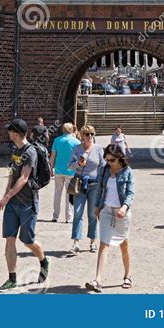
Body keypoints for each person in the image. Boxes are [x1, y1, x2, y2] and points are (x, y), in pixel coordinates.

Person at [0, 118, 49, 292]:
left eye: (10, 131)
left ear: (16, 134)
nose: (8, 133)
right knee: (10, 240)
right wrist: (6, 195)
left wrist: (7, 196)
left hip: (27, 203)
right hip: (12, 204)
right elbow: (12, 173)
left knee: (28, 241)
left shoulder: (30, 152)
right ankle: (12, 278)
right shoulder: (15, 149)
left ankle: (43, 260)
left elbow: (24, 178)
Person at [85, 144, 135, 293]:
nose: (109, 162)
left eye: (112, 160)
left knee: (123, 244)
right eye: (107, 160)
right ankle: (98, 280)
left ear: (120, 158)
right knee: (104, 244)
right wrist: (97, 206)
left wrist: (124, 207)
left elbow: (131, 193)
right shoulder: (104, 170)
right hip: (106, 211)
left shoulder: (127, 172)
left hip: (122, 213)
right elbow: (100, 188)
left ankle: (127, 275)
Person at [66, 125, 105, 257]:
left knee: (93, 215)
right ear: (82, 136)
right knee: (77, 213)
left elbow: (103, 166)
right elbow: (69, 165)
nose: (90, 136)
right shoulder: (77, 149)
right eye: (87, 134)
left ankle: (93, 241)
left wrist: (103, 184)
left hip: (94, 185)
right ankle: (76, 243)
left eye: (92, 134)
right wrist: (78, 164)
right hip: (80, 184)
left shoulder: (99, 149)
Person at [50, 122, 80, 223]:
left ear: (62, 130)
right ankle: (69, 217)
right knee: (70, 195)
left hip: (58, 169)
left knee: (57, 194)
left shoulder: (57, 140)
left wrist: (51, 167)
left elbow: (53, 156)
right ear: (72, 130)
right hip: (71, 171)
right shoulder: (76, 142)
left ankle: (55, 216)